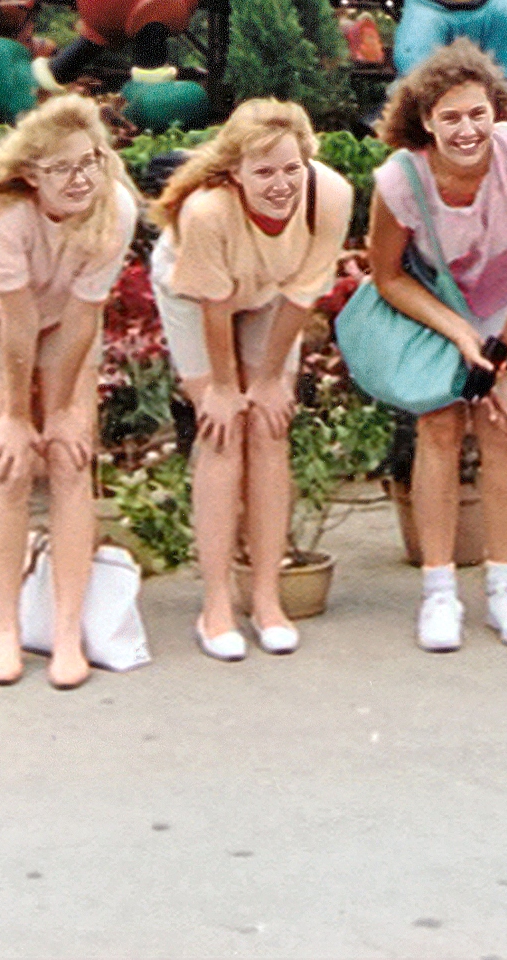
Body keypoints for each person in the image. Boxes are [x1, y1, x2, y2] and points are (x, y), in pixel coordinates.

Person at [366, 42, 507, 652]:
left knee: (505, 425)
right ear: (425, 121)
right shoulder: (399, 180)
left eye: (477, 113)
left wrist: (502, 356)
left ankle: (504, 588)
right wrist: (460, 335)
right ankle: (439, 592)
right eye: (450, 117)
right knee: (439, 428)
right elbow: (387, 275)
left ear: (496, 111)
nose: (466, 129)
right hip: (438, 302)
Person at [0, 94, 141, 690]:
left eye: (91, 162)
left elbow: (81, 319)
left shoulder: (115, 210)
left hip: (64, 326)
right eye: (60, 169)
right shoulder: (7, 219)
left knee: (72, 459)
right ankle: (6, 630)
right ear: (31, 175)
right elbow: (18, 322)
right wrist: (20, 420)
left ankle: (68, 634)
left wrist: (65, 414)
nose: (80, 179)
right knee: (11, 465)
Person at [149, 99, 356, 660]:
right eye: (263, 172)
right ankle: (215, 605)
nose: (281, 183)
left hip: (271, 289)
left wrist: (267, 381)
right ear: (234, 172)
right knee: (224, 430)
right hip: (195, 294)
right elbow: (213, 305)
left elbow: (301, 292)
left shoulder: (329, 195)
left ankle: (266, 598)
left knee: (269, 424)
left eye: (291, 168)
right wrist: (221, 389)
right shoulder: (207, 211)